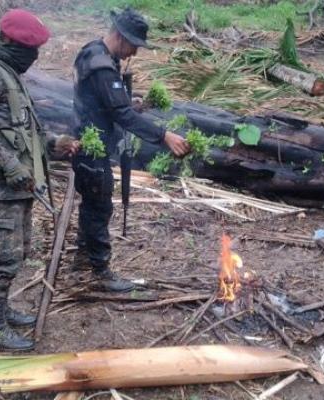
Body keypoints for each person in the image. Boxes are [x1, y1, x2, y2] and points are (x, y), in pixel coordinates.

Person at [0, 9, 78, 351]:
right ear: (7, 40)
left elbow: (21, 130)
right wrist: (9, 164)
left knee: (17, 255)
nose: (33, 56)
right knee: (1, 260)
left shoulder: (10, 74)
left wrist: (54, 144)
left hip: (18, 187)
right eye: (27, 47)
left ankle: (3, 310)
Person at [72, 8, 190, 292]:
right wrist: (164, 136)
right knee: (99, 206)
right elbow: (121, 114)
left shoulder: (92, 52)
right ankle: (100, 271)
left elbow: (109, 104)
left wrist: (125, 102)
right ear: (121, 37)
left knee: (91, 202)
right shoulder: (102, 65)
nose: (134, 53)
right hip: (92, 148)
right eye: (134, 45)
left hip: (89, 141)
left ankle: (81, 257)